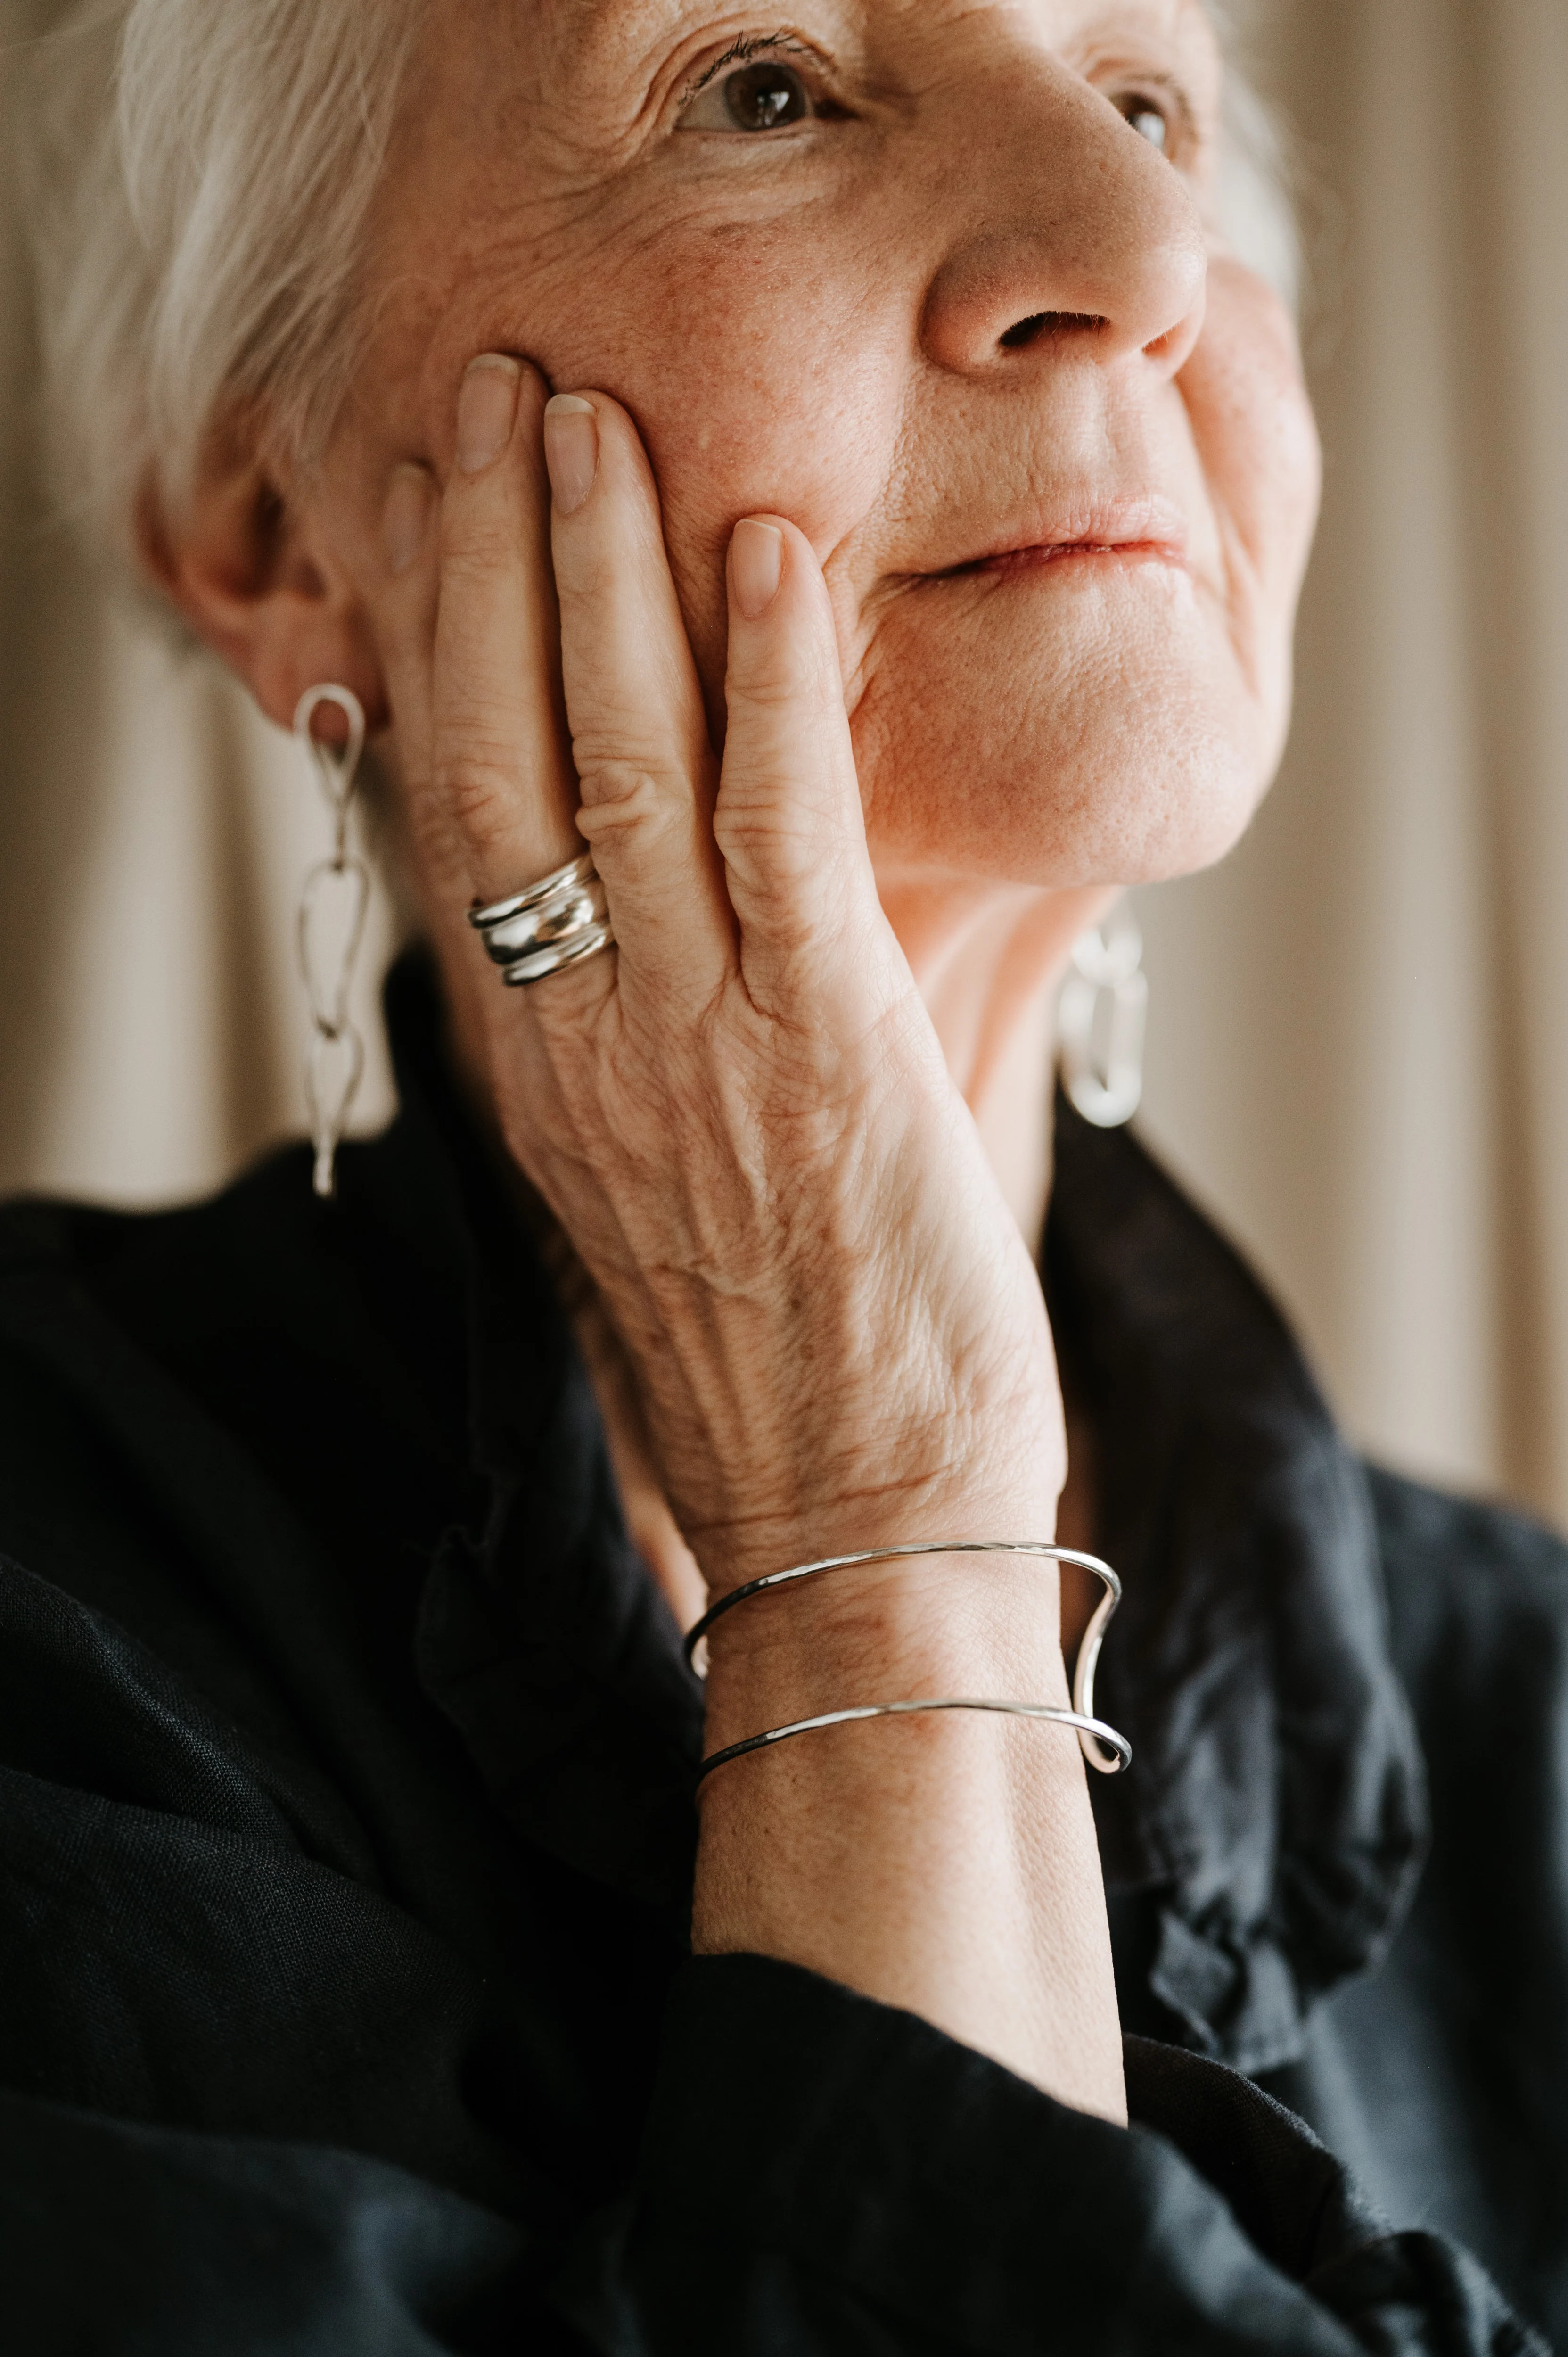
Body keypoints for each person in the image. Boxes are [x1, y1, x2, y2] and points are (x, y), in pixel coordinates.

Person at [2, 0, 1563, 2349]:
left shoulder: (1537, 1703)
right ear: (272, 524)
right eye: (765, 84)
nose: (1140, 245)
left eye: (1150, 102)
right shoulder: (50, 1596)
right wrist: (875, 1531)